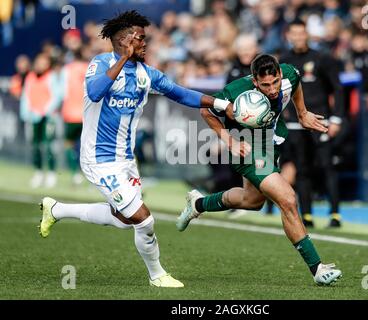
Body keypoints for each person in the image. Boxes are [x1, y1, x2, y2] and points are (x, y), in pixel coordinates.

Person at [38, 10, 233, 288]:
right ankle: (157, 275)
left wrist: (221, 105)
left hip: (126, 161)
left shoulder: (146, 74)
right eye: (140, 39)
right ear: (124, 40)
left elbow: (180, 93)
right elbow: (95, 92)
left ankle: (56, 209)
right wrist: (125, 59)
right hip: (99, 158)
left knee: (123, 219)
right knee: (143, 219)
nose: (145, 44)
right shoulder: (100, 63)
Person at [177, 54, 343, 286]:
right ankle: (318, 268)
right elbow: (206, 111)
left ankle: (197, 204)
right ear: (254, 81)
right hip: (244, 145)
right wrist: (229, 141)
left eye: (275, 82)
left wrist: (302, 112)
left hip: (269, 144)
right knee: (287, 198)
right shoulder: (235, 90)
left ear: (279, 75)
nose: (273, 89)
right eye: (265, 85)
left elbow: (295, 83)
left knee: (252, 201)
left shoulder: (290, 74)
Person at [280, 19, 346, 228]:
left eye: (302, 33)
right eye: (294, 34)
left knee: (327, 167)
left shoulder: (322, 58)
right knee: (302, 169)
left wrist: (336, 118)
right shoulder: (285, 61)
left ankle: (335, 214)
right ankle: (306, 215)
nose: (298, 37)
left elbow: (337, 88)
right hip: (295, 125)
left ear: (306, 35)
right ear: (288, 36)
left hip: (320, 121)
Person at [20, 53, 60, 189]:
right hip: (33, 117)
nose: (40, 65)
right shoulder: (30, 77)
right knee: (35, 146)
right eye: (38, 62)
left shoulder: (51, 77)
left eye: (43, 63)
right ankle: (38, 172)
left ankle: (51, 174)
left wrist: (45, 110)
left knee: (48, 146)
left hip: (47, 118)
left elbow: (57, 96)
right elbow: (26, 96)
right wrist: (27, 113)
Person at [59, 49, 88, 185]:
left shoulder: (67, 70)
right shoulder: (89, 68)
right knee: (86, 146)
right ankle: (89, 175)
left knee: (69, 145)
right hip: (87, 114)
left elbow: (62, 92)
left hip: (70, 113)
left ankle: (75, 173)